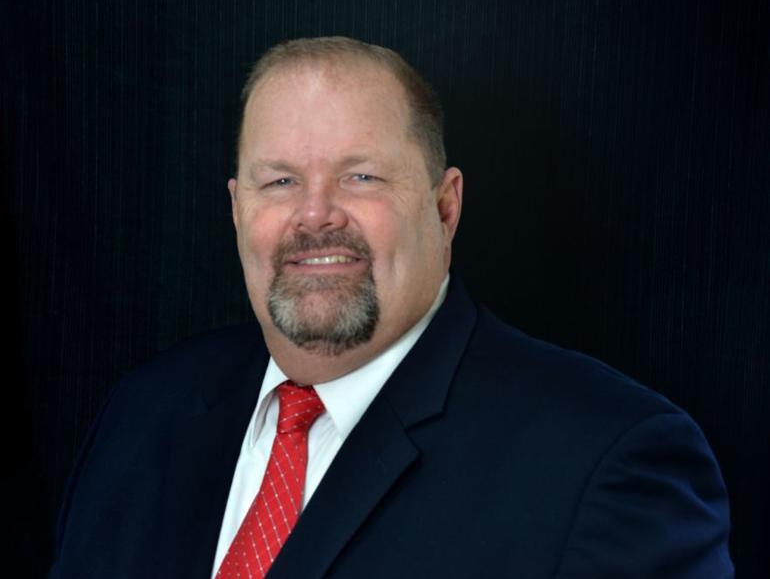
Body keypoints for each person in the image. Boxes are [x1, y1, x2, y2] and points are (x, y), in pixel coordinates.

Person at [49, 37, 733, 578]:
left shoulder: (608, 462)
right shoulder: (144, 412)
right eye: (280, 181)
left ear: (445, 207)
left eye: (361, 176)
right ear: (236, 210)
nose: (315, 215)